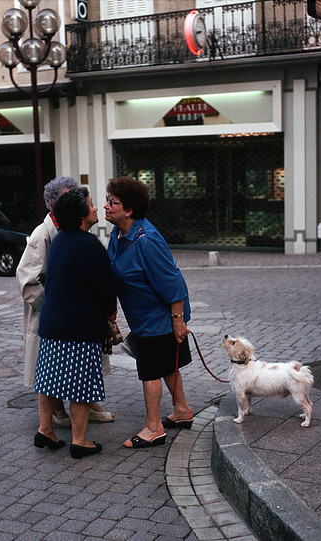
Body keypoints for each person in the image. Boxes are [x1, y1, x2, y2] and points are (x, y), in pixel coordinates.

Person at [16, 177, 115, 429]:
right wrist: (54, 306)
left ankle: (82, 409)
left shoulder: (69, 233)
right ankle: (59, 416)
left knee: (70, 370)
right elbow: (27, 279)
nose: (82, 201)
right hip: (55, 316)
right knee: (54, 371)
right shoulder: (44, 233)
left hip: (72, 316)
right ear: (55, 203)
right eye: (74, 196)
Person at [104, 176, 194, 449]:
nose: (106, 206)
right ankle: (182, 411)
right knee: (167, 364)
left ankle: (153, 428)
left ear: (129, 210)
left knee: (151, 369)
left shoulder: (147, 240)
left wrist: (177, 321)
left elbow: (173, 281)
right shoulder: (118, 234)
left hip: (159, 317)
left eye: (113, 202)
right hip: (143, 316)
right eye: (107, 201)